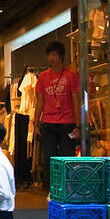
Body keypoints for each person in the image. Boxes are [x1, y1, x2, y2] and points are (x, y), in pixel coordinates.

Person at [33, 40, 78, 184]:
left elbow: (76, 101)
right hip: (48, 123)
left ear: (61, 56)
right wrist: (35, 123)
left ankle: (68, 186)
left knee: (67, 157)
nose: (51, 58)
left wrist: (78, 125)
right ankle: (53, 187)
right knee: (49, 158)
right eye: (49, 55)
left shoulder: (71, 76)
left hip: (67, 123)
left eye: (54, 55)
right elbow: (39, 101)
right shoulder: (42, 77)